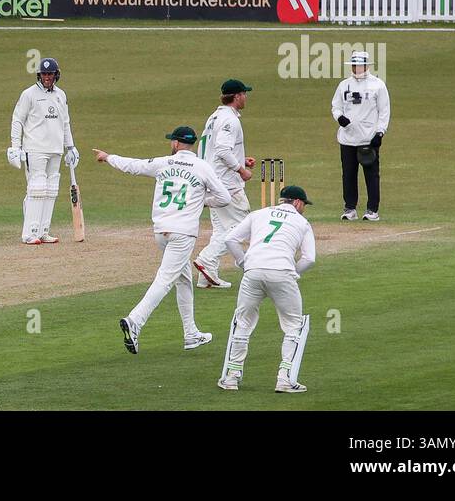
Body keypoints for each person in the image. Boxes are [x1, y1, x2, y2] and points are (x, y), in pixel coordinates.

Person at [93, 126, 230, 355]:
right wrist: (203, 202)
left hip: (161, 231)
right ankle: (135, 321)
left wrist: (108, 157)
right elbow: (224, 197)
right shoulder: (202, 167)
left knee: (183, 279)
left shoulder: (164, 163)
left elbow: (133, 166)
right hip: (184, 233)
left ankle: (191, 334)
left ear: (176, 144)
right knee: (165, 279)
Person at [217, 185, 317, 393]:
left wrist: (244, 263)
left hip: (253, 272)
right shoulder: (302, 222)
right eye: (304, 205)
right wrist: (293, 273)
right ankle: (284, 378)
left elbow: (230, 239)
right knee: (294, 325)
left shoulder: (259, 213)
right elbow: (309, 259)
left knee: (243, 322)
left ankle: (231, 377)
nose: (304, 208)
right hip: (282, 272)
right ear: (297, 203)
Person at [7, 57, 80, 244]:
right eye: (44, 74)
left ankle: (42, 231)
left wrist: (70, 147)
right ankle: (29, 233)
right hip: (35, 149)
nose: (47, 77)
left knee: (51, 189)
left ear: (56, 75)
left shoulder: (61, 95)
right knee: (37, 188)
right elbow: (17, 120)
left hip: (56, 150)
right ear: (39, 75)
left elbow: (65, 123)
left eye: (50, 74)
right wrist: (15, 147)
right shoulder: (29, 94)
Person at [193, 79, 256, 289]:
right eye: (244, 94)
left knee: (221, 231)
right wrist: (241, 170)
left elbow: (211, 150)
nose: (246, 97)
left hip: (213, 180)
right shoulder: (230, 120)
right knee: (241, 227)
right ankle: (205, 260)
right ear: (237, 96)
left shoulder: (214, 117)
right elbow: (221, 150)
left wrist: (241, 159)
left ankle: (206, 276)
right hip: (227, 184)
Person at [331, 50, 390, 221]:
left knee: (371, 175)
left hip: (368, 137)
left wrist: (380, 132)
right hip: (347, 138)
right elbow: (336, 105)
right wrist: (339, 117)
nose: (356, 68)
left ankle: (372, 210)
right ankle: (350, 208)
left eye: (359, 65)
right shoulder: (344, 85)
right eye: (354, 66)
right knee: (348, 174)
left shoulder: (377, 85)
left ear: (366, 66)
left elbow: (384, 111)